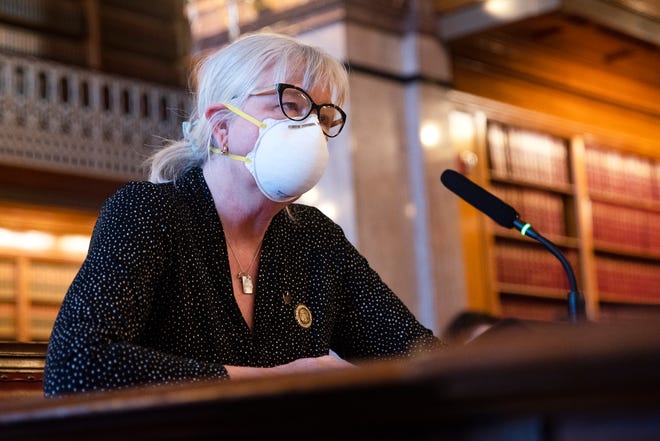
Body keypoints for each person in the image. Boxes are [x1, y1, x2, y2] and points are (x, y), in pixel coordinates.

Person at [43, 32, 442, 396]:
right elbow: (75, 366)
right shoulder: (149, 213)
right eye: (290, 105)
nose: (312, 133)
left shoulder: (316, 239)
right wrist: (275, 382)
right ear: (221, 126)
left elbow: (418, 355)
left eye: (322, 118)